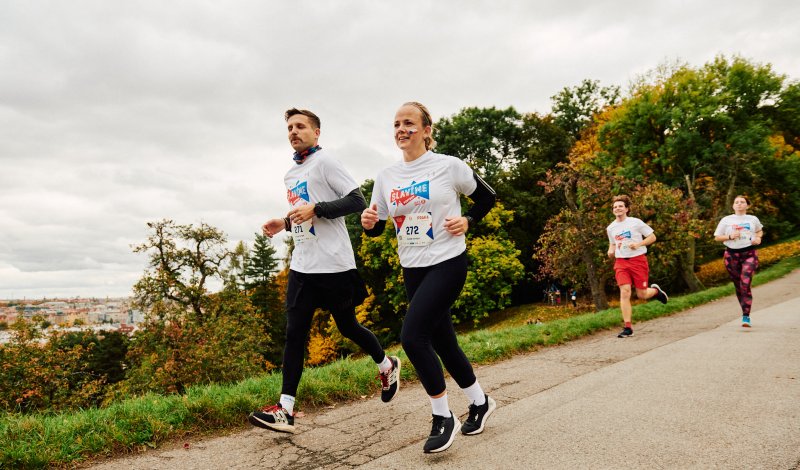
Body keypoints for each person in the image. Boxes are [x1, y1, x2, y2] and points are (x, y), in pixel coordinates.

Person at [248, 108, 400, 434]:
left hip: (334, 264)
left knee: (348, 327)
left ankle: (387, 365)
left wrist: (316, 209)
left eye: (300, 126)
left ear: (316, 133)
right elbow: (303, 214)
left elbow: (357, 200)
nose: (293, 131)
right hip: (303, 264)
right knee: (294, 333)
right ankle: (285, 409)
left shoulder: (326, 162)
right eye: (289, 127)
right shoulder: (290, 174)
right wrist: (285, 222)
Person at [361, 102, 497, 453]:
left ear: (426, 130)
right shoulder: (386, 176)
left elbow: (486, 198)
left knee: (412, 337)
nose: (401, 129)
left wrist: (468, 221)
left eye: (409, 123)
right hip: (413, 267)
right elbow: (378, 225)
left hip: (448, 261)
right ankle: (480, 402)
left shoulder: (448, 166)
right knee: (443, 341)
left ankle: (442, 416)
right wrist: (369, 223)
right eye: (396, 124)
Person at [606, 195, 668, 338]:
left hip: (638, 260)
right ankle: (628, 327)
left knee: (642, 294)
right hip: (621, 262)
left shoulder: (635, 223)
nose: (617, 208)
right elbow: (613, 243)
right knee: (625, 291)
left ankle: (655, 291)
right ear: (613, 210)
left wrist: (638, 244)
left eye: (620, 206)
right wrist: (610, 251)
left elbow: (652, 237)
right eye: (615, 207)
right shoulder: (611, 228)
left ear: (626, 209)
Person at [713, 195, 763, 327]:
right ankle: (744, 311)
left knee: (745, 283)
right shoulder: (726, 220)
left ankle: (746, 316)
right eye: (737, 202)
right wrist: (730, 236)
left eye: (742, 202)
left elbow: (759, 231)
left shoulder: (752, 219)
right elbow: (717, 237)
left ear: (747, 205)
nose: (739, 204)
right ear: (733, 206)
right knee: (738, 285)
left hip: (749, 254)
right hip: (731, 255)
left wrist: (758, 239)